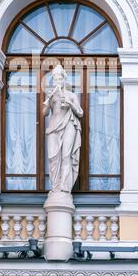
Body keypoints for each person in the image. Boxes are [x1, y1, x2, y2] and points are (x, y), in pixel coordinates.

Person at [43, 65, 83, 193]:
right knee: (53, 158)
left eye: (59, 78)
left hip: (69, 124)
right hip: (53, 127)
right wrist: (48, 101)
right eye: (54, 79)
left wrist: (70, 103)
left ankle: (65, 188)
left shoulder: (71, 95)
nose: (57, 81)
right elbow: (44, 113)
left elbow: (80, 112)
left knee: (66, 156)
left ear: (64, 79)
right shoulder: (52, 95)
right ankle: (55, 187)